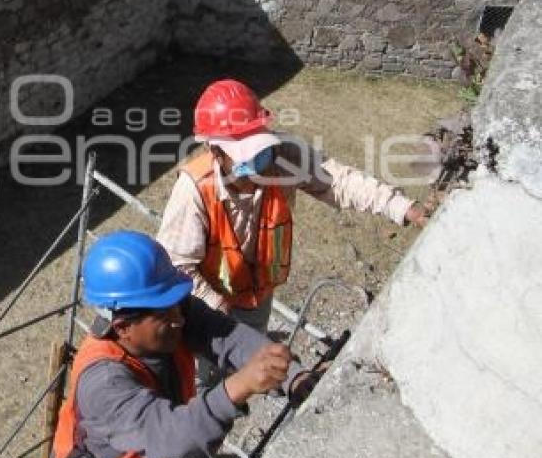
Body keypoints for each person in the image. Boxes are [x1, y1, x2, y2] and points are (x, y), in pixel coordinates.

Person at [44, 231, 312, 458]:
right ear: (122, 326)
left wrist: (293, 375)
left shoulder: (167, 316)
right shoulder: (102, 383)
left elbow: (226, 335)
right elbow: (171, 435)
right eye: (165, 312)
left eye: (177, 304)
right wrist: (238, 386)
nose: (180, 319)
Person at [158, 78, 428, 333]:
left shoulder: (282, 155)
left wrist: (403, 207)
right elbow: (176, 266)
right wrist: (218, 306)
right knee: (208, 373)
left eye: (259, 147)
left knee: (255, 359)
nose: (259, 160)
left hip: (258, 295)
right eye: (247, 154)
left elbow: (338, 182)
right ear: (215, 151)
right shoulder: (194, 190)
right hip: (208, 305)